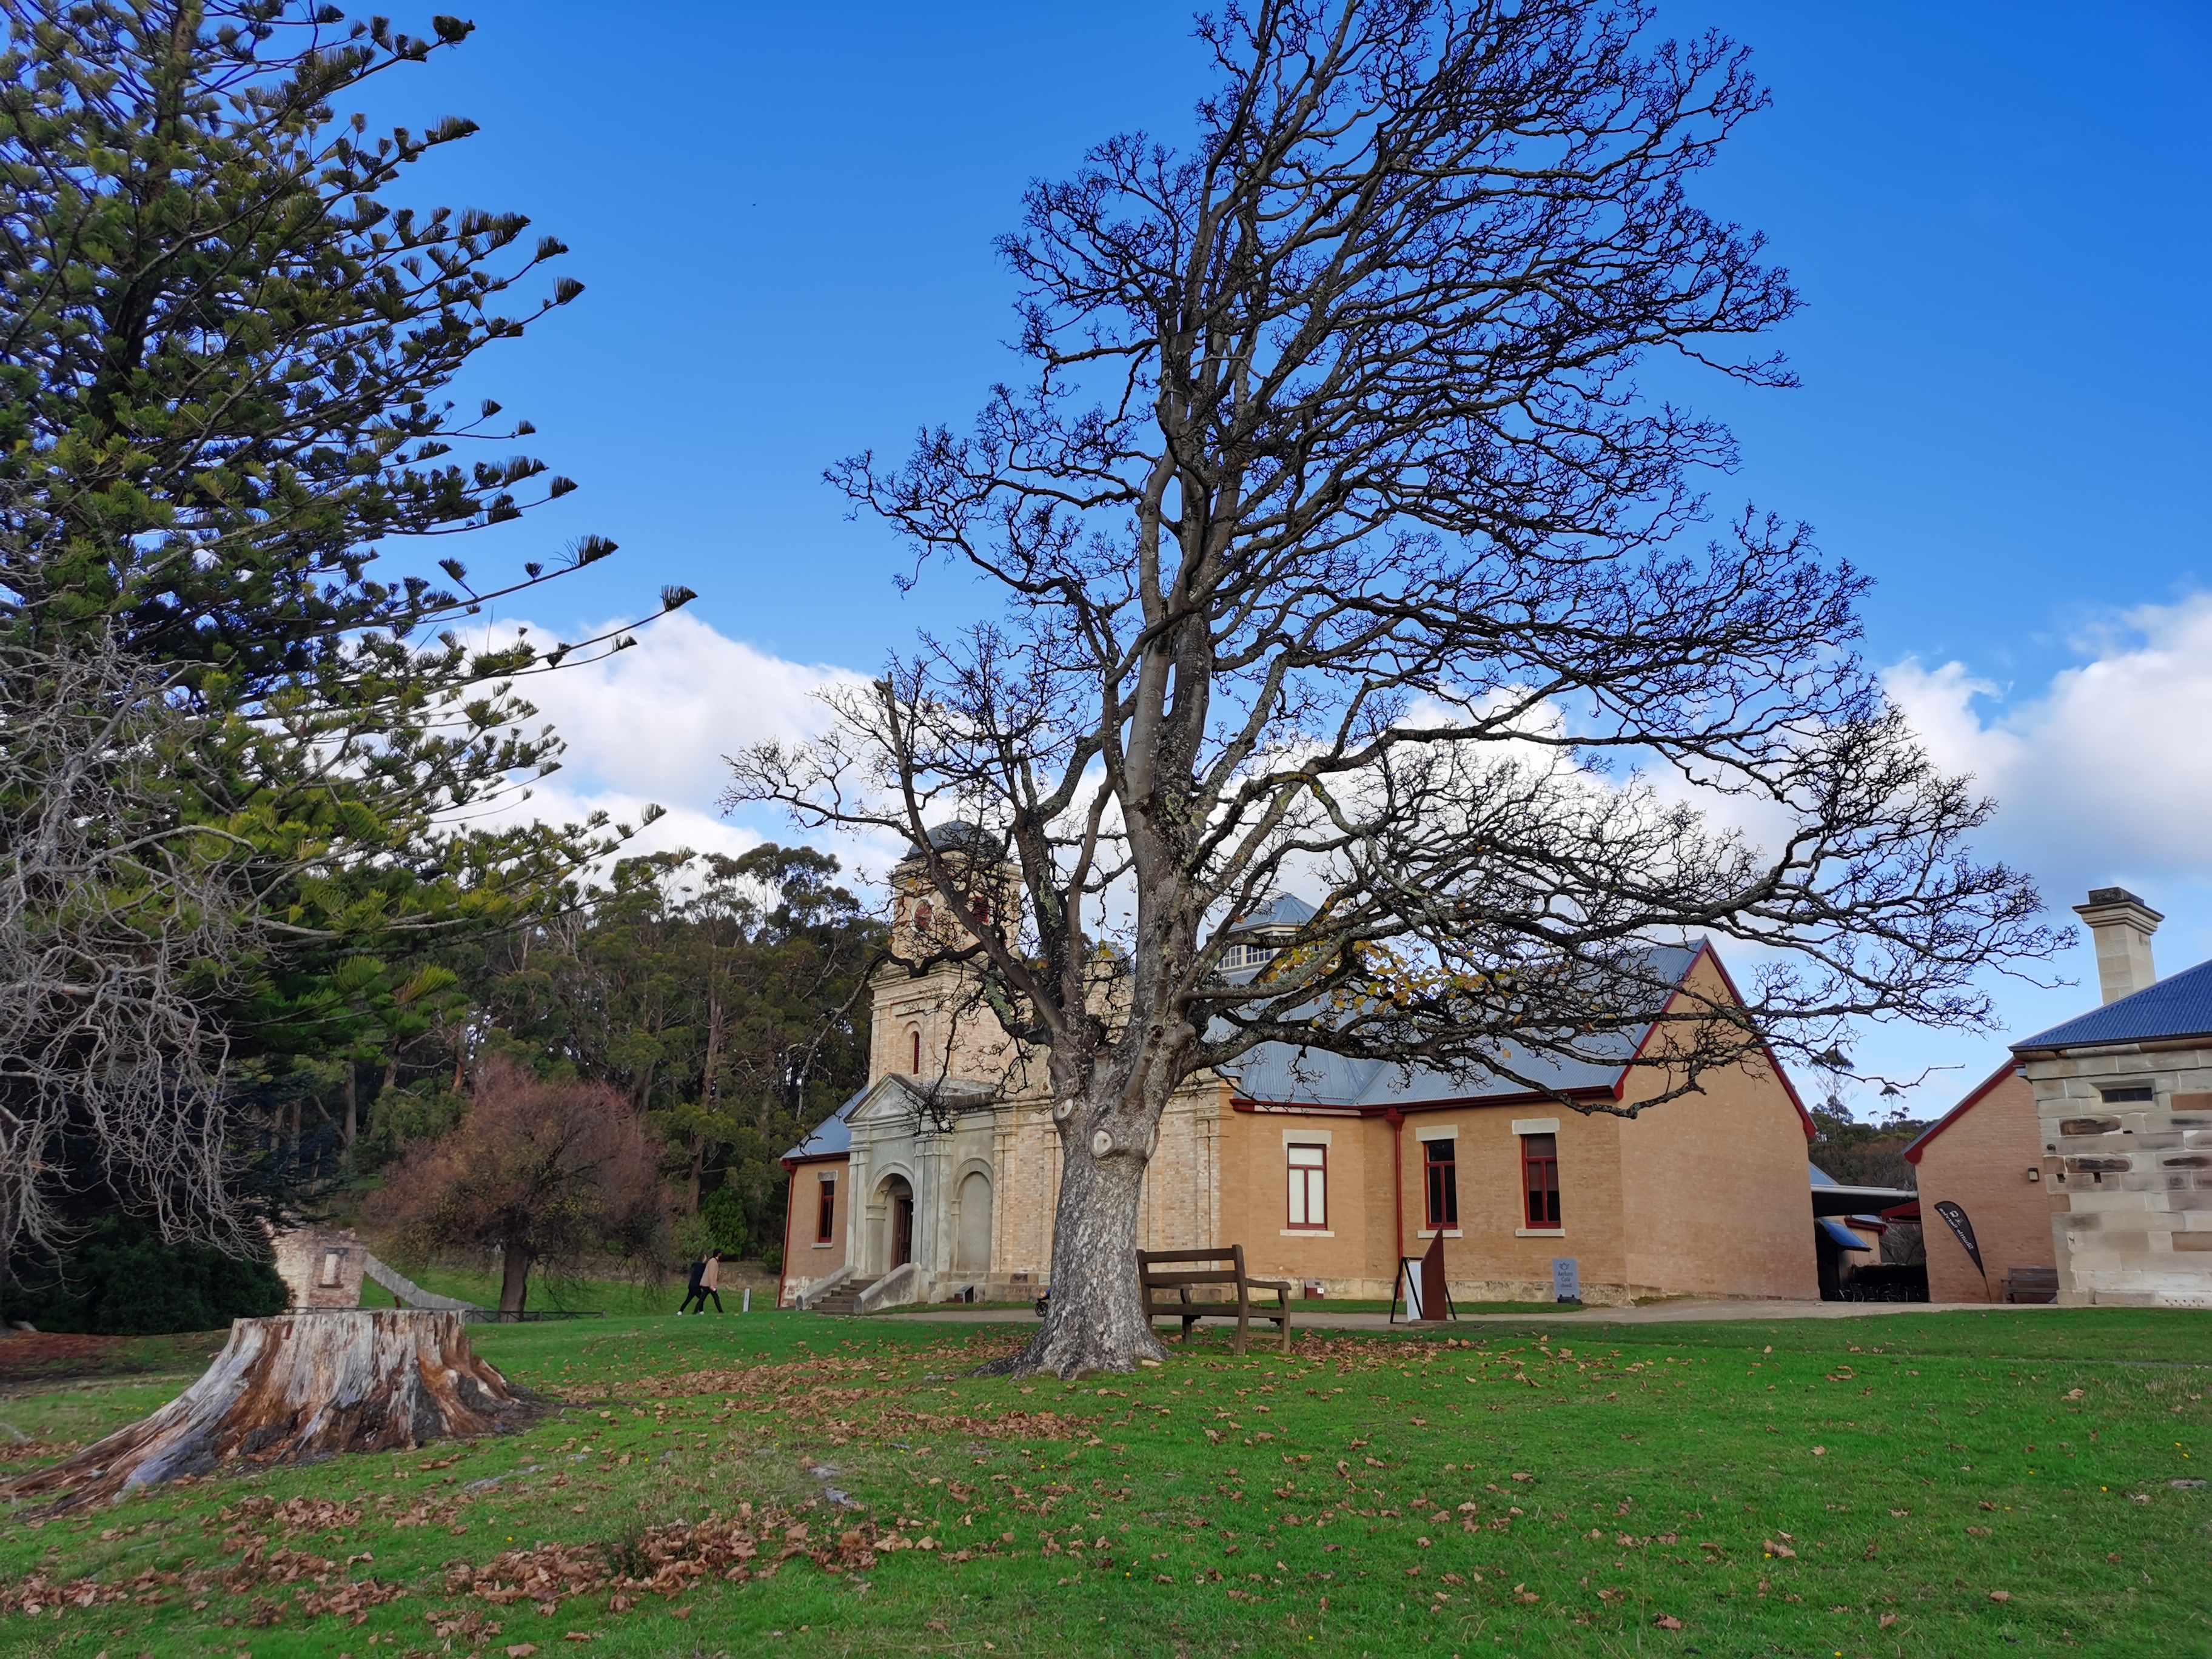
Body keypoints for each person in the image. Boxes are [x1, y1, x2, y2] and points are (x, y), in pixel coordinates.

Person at [677, 1248, 723, 1316]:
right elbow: (710, 1273)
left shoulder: (695, 1266)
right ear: (703, 1259)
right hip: (698, 1286)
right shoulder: (703, 1267)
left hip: (692, 1285)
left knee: (690, 1299)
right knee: (701, 1298)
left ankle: (681, 1311)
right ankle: (699, 1311)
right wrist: (712, 1284)